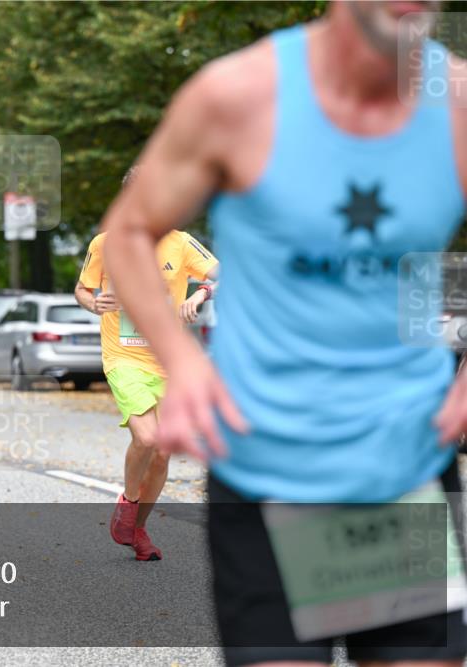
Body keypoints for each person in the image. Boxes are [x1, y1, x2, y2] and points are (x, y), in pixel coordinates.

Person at [101, 2, 466, 665]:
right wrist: (184, 361)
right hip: (266, 462)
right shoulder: (238, 95)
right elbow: (128, 231)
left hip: (402, 460)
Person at [76, 165, 217, 561]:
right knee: (149, 439)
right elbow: (83, 289)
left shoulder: (181, 243)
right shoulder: (105, 244)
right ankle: (128, 502)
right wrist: (93, 303)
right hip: (123, 356)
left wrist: (201, 293)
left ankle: (137, 530)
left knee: (163, 452)